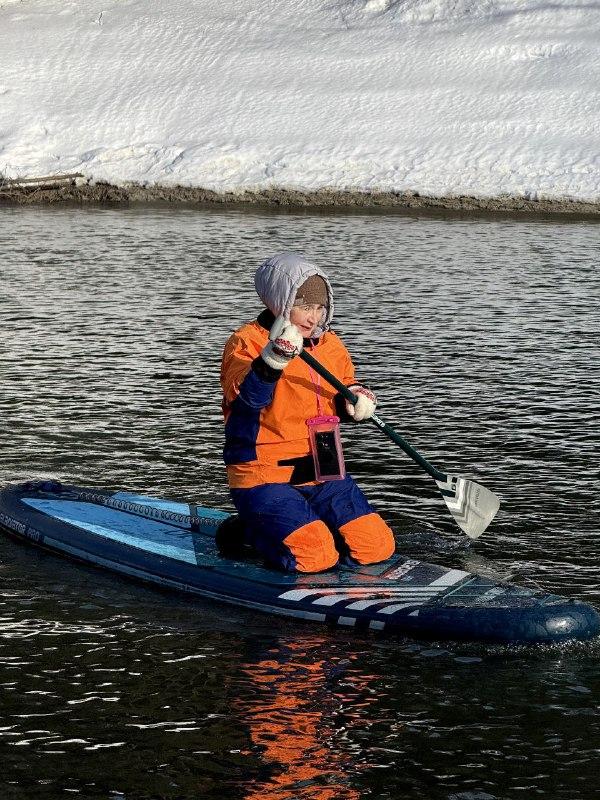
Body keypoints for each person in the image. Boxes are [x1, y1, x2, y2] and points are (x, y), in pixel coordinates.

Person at [219, 251, 395, 573]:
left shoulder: (331, 345)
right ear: (280, 302)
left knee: (377, 546)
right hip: (264, 474)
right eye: (304, 306)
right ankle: (248, 532)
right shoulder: (245, 342)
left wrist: (356, 398)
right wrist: (272, 360)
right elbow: (246, 399)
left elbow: (344, 386)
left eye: (319, 308)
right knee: (315, 556)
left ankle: (313, 531)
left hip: (323, 469)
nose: (313, 317)